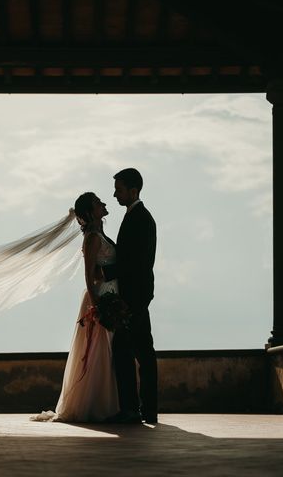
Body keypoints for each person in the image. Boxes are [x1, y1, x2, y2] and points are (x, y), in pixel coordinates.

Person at [30, 192, 120, 422]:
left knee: (108, 351)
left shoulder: (99, 234)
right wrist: (97, 305)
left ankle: (110, 403)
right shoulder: (91, 238)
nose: (104, 204)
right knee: (98, 350)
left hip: (109, 294)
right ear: (90, 212)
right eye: (99, 203)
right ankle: (97, 404)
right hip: (100, 297)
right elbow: (89, 276)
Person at [111, 168, 158, 424]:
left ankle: (131, 408)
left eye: (118, 189)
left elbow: (136, 263)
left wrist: (129, 302)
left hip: (134, 298)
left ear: (133, 190)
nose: (115, 194)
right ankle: (147, 409)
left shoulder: (140, 218)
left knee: (124, 350)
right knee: (144, 352)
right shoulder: (136, 216)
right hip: (138, 296)